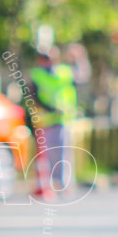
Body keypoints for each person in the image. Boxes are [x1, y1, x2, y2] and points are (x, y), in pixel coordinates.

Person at [28, 49, 79, 191]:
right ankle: (50, 183)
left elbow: (79, 80)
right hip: (46, 120)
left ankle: (64, 183)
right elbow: (33, 96)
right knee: (49, 154)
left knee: (64, 153)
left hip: (64, 118)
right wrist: (50, 109)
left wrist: (79, 59)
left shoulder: (65, 72)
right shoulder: (37, 75)